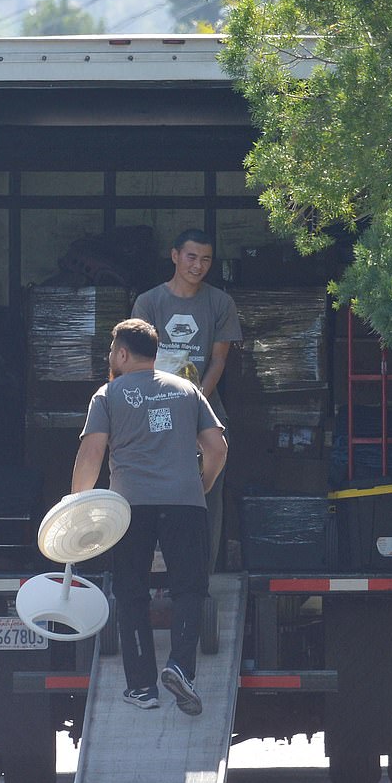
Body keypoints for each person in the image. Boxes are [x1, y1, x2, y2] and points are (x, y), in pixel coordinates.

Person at [71, 318, 228, 715]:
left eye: (111, 352)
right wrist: (203, 484)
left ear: (122, 354)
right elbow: (217, 447)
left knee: (131, 592)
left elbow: (90, 455)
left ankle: (142, 687)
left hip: (129, 507)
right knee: (189, 589)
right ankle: (180, 668)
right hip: (185, 503)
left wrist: (76, 508)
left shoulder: (106, 396)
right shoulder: (188, 390)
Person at [131, 229, 243, 572]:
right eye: (191, 257)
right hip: (154, 409)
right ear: (175, 256)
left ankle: (200, 574)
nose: (198, 266)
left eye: (206, 259)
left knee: (205, 490)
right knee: (148, 489)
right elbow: (136, 363)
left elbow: (219, 360)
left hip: (202, 408)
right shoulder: (149, 302)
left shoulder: (220, 303)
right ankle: (147, 572)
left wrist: (193, 400)